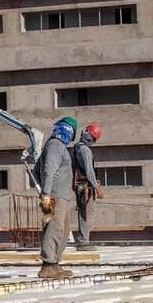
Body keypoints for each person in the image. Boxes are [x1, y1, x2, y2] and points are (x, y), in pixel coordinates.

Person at [35, 116, 77, 279]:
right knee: (54, 229)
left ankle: (54, 263)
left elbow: (37, 169)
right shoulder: (55, 145)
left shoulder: (54, 145)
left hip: (55, 196)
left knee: (62, 230)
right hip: (54, 197)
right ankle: (48, 266)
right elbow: (47, 170)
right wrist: (46, 193)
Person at [72, 123, 104, 251]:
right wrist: (97, 187)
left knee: (83, 213)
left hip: (80, 184)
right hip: (85, 186)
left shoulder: (76, 147)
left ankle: (82, 240)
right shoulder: (85, 150)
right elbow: (89, 171)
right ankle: (83, 242)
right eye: (94, 138)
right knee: (86, 214)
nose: (94, 141)